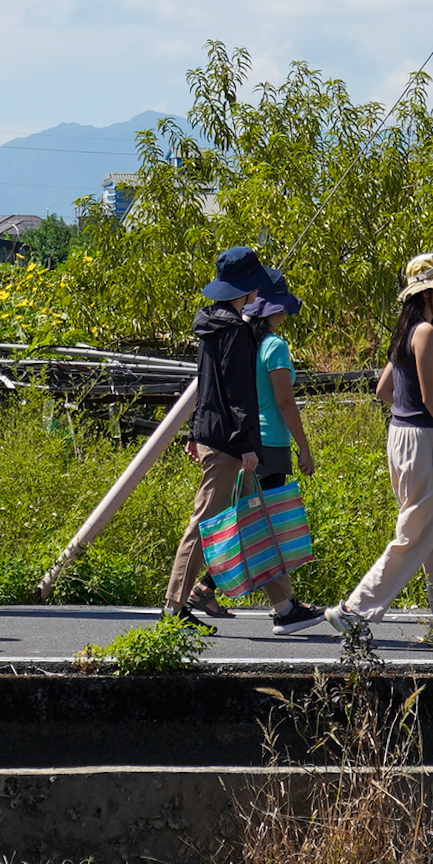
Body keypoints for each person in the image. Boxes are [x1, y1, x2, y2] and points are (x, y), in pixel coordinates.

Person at [163, 247, 328, 638]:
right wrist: (246, 444)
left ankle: (285, 607)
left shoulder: (209, 324)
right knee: (205, 523)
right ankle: (173, 608)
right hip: (230, 444)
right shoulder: (235, 330)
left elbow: (206, 387)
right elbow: (237, 395)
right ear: (246, 288)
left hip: (215, 436)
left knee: (258, 520)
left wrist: (195, 433)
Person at [336, 251, 433, 647]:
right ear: (427, 292)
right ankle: (356, 609)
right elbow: (430, 400)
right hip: (422, 439)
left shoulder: (406, 332)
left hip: (400, 437)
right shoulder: (427, 333)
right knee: (415, 533)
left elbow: (386, 390)